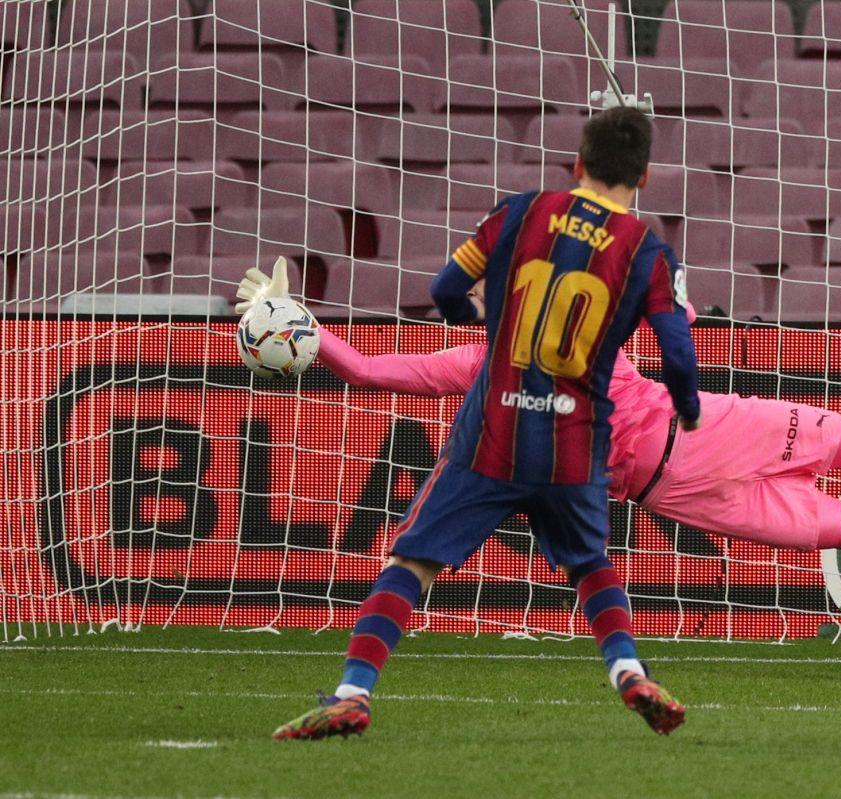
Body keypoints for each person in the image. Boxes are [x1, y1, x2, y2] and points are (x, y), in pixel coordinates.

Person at [264, 107, 701, 740]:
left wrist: (487, 325)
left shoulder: (517, 213)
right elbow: (676, 350)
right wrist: (686, 407)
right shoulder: (647, 252)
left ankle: (354, 692)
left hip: (493, 430)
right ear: (647, 176)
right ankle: (628, 671)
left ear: (576, 165)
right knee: (588, 564)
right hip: (573, 442)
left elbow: (445, 289)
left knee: (411, 562)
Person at [282, 297, 841, 555]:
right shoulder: (478, 365)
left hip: (716, 429)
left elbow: (657, 295)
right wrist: (312, 338)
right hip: (680, 491)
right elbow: (367, 371)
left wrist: (670, 297)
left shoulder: (590, 326)